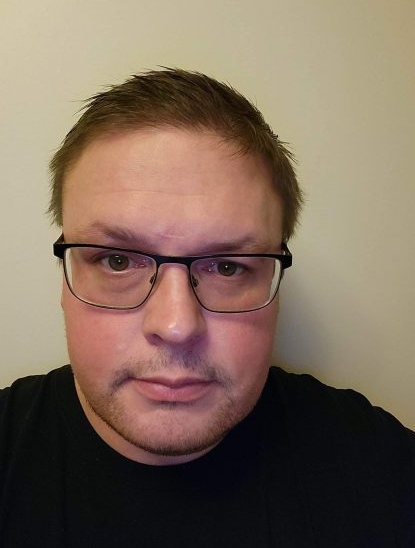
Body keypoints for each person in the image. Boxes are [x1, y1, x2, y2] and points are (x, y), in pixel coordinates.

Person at [0, 69, 413, 547]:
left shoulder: (375, 464)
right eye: (117, 261)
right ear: (65, 277)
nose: (176, 325)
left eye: (227, 267)